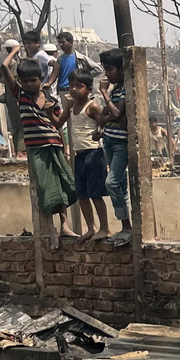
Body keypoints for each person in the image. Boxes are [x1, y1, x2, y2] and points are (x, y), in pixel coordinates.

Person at [15, 58, 77, 249]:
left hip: (54, 145)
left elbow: (58, 124)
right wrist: (16, 51)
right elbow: (3, 69)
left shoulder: (51, 99)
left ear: (40, 79)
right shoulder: (21, 96)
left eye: (32, 80)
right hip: (37, 148)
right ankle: (52, 230)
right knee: (45, 188)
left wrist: (65, 147)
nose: (28, 84)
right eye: (24, 81)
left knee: (62, 183)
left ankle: (64, 225)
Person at [64, 71, 110, 240]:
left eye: (78, 86)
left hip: (93, 153)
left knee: (95, 193)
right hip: (79, 155)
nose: (74, 89)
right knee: (82, 194)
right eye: (71, 85)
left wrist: (99, 134)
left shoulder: (92, 107)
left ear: (89, 89)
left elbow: (105, 125)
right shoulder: (70, 106)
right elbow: (58, 122)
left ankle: (104, 228)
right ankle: (91, 228)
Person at [96, 49, 132, 245]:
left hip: (119, 144)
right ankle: (126, 227)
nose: (107, 74)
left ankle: (126, 225)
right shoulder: (115, 91)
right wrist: (112, 116)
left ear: (121, 69)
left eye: (109, 69)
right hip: (109, 140)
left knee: (112, 183)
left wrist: (103, 93)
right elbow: (103, 118)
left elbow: (117, 113)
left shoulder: (124, 89)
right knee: (120, 185)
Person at [53, 31, 93, 95]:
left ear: (71, 42)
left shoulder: (80, 57)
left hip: (74, 90)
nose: (61, 45)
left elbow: (98, 69)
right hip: (62, 90)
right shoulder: (60, 59)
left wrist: (84, 77)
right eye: (59, 42)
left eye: (63, 42)